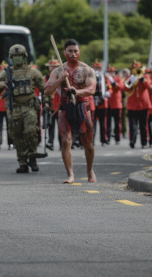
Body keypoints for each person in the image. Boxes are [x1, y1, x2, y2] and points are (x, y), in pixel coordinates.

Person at [44, 39, 97, 183]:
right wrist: (59, 80)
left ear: (79, 52)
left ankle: (89, 170)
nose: (73, 54)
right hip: (64, 108)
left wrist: (78, 92)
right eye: (70, 51)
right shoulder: (58, 71)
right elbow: (47, 91)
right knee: (66, 140)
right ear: (64, 52)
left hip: (82, 107)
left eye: (75, 51)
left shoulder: (86, 70)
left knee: (88, 145)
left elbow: (92, 89)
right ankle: (70, 174)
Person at [0, 44, 44, 173]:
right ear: (11, 58)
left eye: (19, 56)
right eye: (14, 57)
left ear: (24, 57)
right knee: (16, 135)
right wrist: (1, 84)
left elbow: (44, 88)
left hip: (29, 107)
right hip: (14, 108)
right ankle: (22, 162)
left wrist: (47, 102)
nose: (17, 59)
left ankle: (32, 156)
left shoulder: (33, 72)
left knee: (31, 131)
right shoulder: (7, 73)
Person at [124, 60, 151, 149]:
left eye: (137, 68)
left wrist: (143, 80)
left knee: (143, 125)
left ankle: (144, 142)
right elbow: (125, 87)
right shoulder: (130, 78)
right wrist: (132, 80)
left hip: (143, 105)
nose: (135, 70)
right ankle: (132, 140)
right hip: (132, 105)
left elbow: (148, 86)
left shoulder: (145, 77)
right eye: (134, 68)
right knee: (132, 125)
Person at [0, 61, 13, 150]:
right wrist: (1, 84)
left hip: (8, 106)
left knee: (10, 125)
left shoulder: (10, 78)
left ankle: (11, 143)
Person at [44, 58, 61, 151]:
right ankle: (50, 142)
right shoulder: (46, 78)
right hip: (50, 105)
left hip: (59, 106)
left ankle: (62, 144)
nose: (53, 68)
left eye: (55, 66)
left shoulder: (61, 78)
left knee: (61, 127)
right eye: (51, 66)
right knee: (50, 125)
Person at [105, 65, 124, 145]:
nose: (111, 73)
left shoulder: (118, 79)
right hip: (108, 103)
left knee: (117, 122)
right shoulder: (106, 79)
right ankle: (108, 138)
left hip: (116, 104)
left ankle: (117, 138)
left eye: (112, 72)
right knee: (108, 122)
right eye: (109, 72)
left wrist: (114, 83)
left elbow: (121, 87)